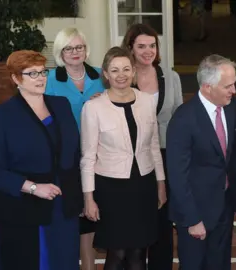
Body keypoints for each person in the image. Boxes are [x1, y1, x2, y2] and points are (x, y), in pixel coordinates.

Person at [0, 50, 83, 270]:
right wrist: (33, 187)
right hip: (26, 209)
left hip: (65, 205)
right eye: (32, 73)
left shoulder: (61, 105)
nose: (40, 77)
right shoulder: (2, 116)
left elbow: (74, 152)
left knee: (65, 261)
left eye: (43, 71)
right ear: (16, 78)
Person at [81, 47, 166, 270]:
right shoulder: (93, 107)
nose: (122, 75)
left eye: (127, 69)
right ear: (106, 74)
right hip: (111, 189)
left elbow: (154, 146)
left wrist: (161, 184)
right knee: (116, 253)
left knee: (139, 252)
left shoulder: (147, 101)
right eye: (115, 70)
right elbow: (88, 157)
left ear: (134, 72)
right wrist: (88, 198)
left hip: (143, 185)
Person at [167, 54, 236, 270]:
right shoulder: (183, 119)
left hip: (224, 207)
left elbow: (234, 154)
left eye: (234, 84)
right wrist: (192, 219)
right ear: (207, 87)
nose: (233, 90)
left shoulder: (232, 108)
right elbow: (177, 176)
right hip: (196, 214)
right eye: (228, 86)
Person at [121, 23, 183, 270]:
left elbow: (179, 117)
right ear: (131, 48)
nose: (148, 51)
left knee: (162, 222)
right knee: (134, 221)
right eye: (141, 46)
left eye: (152, 45)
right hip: (132, 159)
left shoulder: (171, 76)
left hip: (166, 156)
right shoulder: (123, 76)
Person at [45, 27, 104, 270]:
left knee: (93, 213)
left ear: (86, 49)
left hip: (100, 154)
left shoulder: (101, 75)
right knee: (72, 213)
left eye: (79, 47)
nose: (74, 52)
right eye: (68, 48)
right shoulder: (48, 80)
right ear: (60, 52)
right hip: (65, 157)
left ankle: (89, 265)